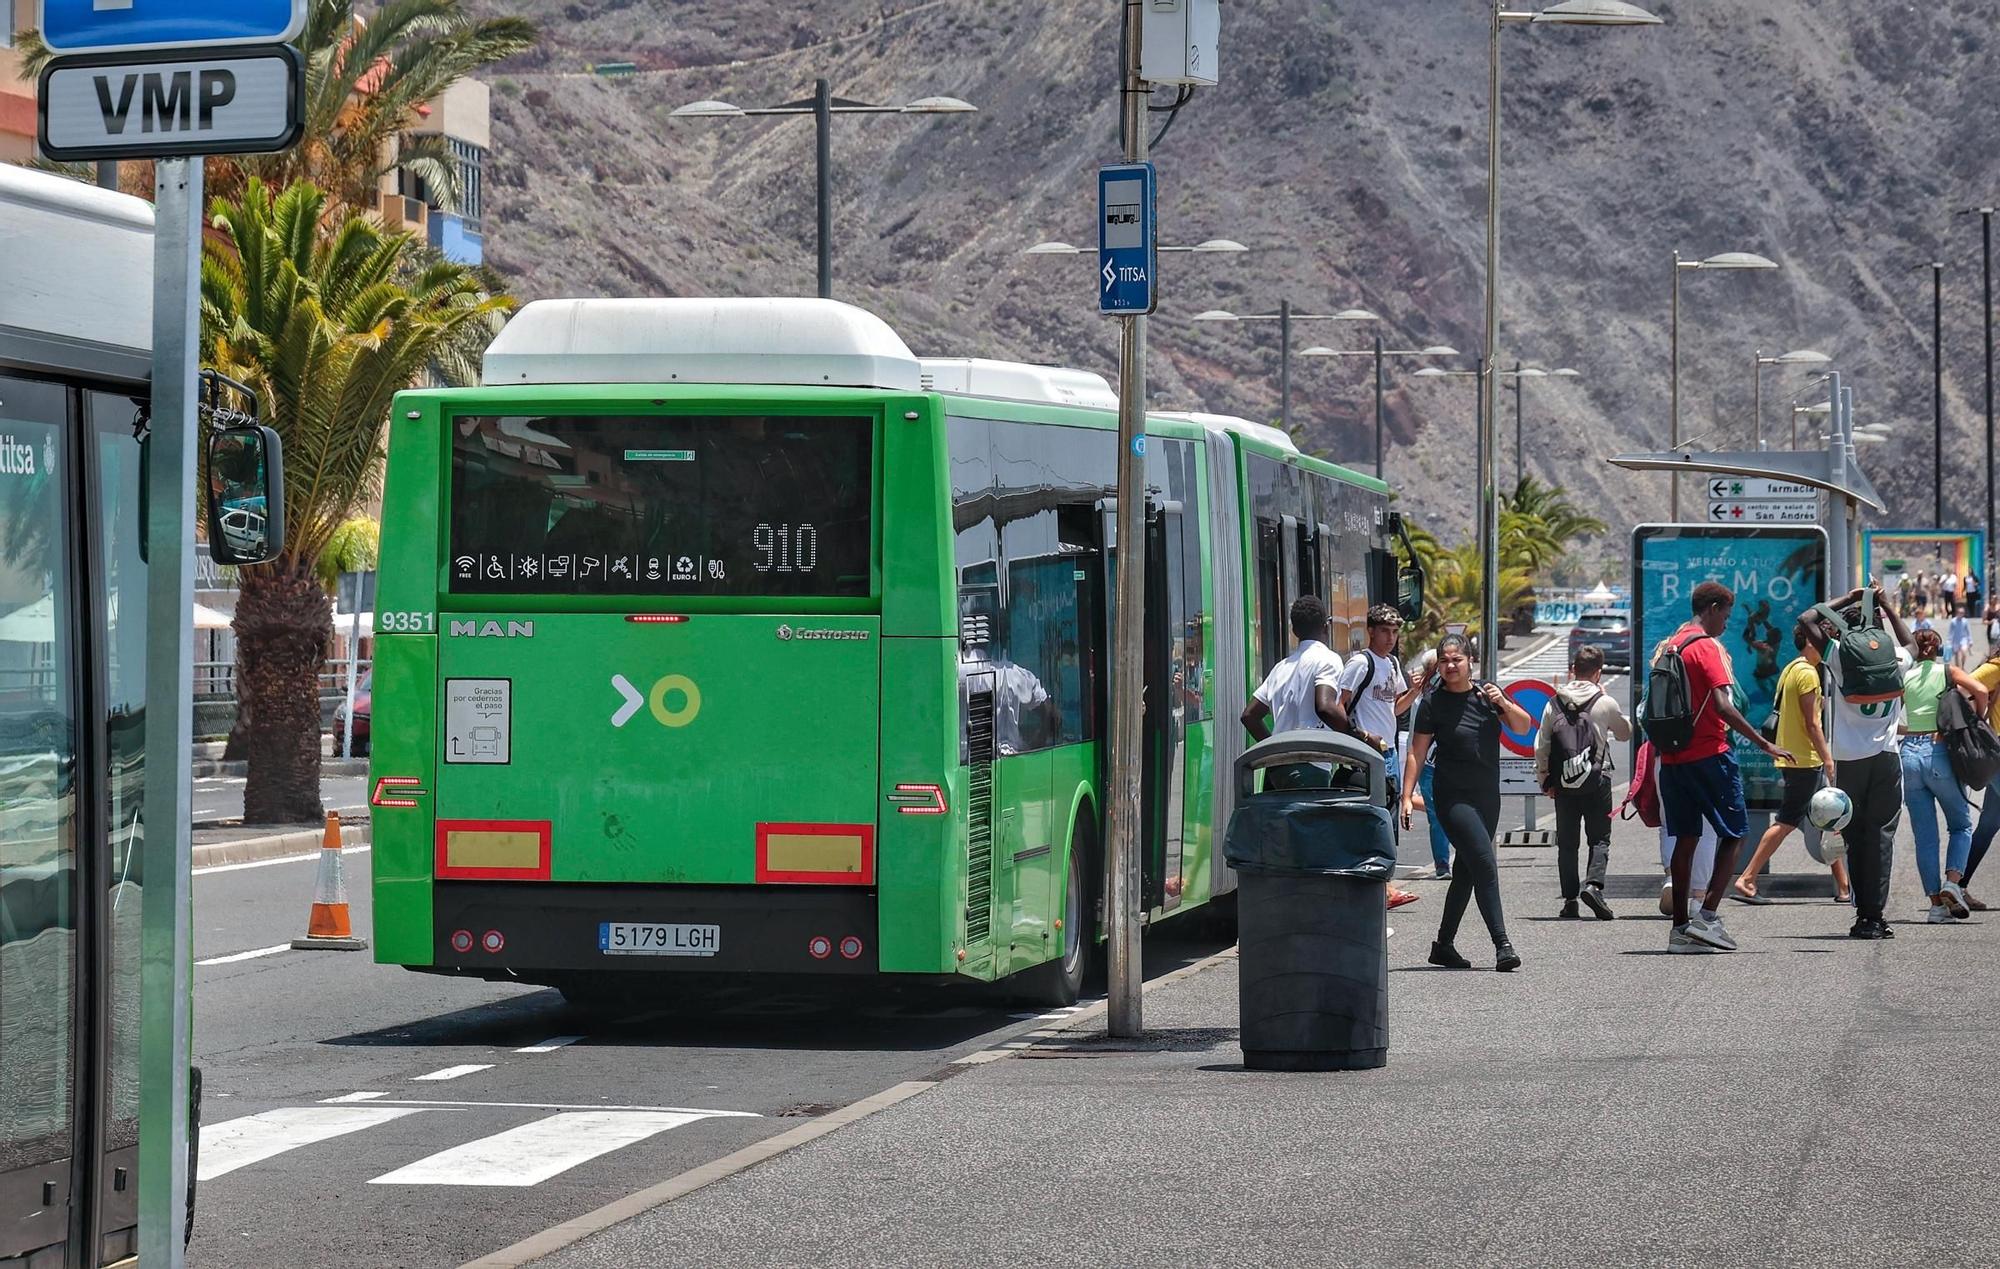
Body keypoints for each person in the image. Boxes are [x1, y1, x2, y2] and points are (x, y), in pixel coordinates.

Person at [1656, 582, 1794, 953]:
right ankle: (1708, 917)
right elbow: (1722, 704)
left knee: (1686, 839)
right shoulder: (1705, 646)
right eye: (1726, 616)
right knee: (1735, 834)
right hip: (1710, 754)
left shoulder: (1673, 644)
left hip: (1672, 758)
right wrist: (1764, 743)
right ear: (1713, 607)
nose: (1726, 625)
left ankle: (1680, 929)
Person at [1400, 633, 1535, 972]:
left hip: (1488, 795)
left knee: (1466, 872)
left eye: (1456, 659)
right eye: (1444, 660)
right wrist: (1406, 795)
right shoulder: (1433, 702)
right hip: (1452, 796)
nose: (1449, 666)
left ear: (1469, 661)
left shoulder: (1487, 694)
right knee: (1485, 863)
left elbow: (1523, 726)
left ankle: (1443, 945)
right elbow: (1417, 752)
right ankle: (1502, 944)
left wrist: (1502, 702)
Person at [1796, 585, 1915, 939]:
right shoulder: (1895, 657)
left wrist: (1851, 597)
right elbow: (1911, 645)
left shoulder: (1840, 654)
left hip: (1850, 760)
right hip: (1887, 758)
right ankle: (1875, 917)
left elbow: (1806, 619)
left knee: (1855, 835)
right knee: (1881, 836)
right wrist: (1887, 605)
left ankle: (1862, 915)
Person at [1730, 630, 1852, 905]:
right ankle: (1747, 878)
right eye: (1822, 641)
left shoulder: (1790, 669)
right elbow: (1812, 723)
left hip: (1796, 758)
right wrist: (1828, 758)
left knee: (1830, 820)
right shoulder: (1808, 673)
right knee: (1787, 821)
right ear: (1810, 643)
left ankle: (1844, 887)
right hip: (1805, 760)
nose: (1826, 646)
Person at [1534, 643, 1630, 920]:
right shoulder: (1604, 701)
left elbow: (1542, 745)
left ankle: (1570, 900)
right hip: (1598, 779)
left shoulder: (1553, 702)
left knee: (1567, 842)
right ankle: (1593, 885)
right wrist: (1611, 709)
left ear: (1573, 670)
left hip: (1563, 782)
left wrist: (1544, 779)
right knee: (1599, 838)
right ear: (1598, 673)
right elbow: (1624, 734)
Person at [1901, 627, 1989, 923]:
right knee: (1961, 824)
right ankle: (1953, 884)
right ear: (1939, 650)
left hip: (1909, 753)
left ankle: (1936, 907)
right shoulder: (1947, 671)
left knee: (1925, 837)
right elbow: (1980, 690)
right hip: (1939, 750)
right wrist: (1978, 718)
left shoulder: (1906, 676)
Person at [1331, 604, 1426, 828]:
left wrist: (1414, 691)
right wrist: (1360, 735)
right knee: (1369, 815)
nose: (1390, 637)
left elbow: (1395, 708)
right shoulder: (1360, 663)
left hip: (1388, 751)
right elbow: (1338, 706)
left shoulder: (1392, 663)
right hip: (1364, 751)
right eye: (1385, 630)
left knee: (1388, 813)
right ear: (1371, 631)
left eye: (1394, 632)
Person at [1241, 594, 1347, 788]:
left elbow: (1249, 715)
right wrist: (1358, 736)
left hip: (1276, 769)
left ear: (1294, 631)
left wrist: (1275, 749)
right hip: (1311, 765)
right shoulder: (1328, 659)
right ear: (1326, 626)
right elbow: (1325, 707)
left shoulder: (1280, 668)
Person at [1408, 648, 1453, 879]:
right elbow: (1414, 742)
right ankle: (1442, 863)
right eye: (1436, 668)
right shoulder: (1420, 701)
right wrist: (1410, 781)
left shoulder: (1459, 694)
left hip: (1455, 764)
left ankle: (1467, 858)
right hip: (1429, 767)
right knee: (1436, 815)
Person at [1961, 646, 2000, 910]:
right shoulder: (1997, 666)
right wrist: (1977, 722)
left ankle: (1957, 885)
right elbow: (1962, 690)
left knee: (1987, 827)